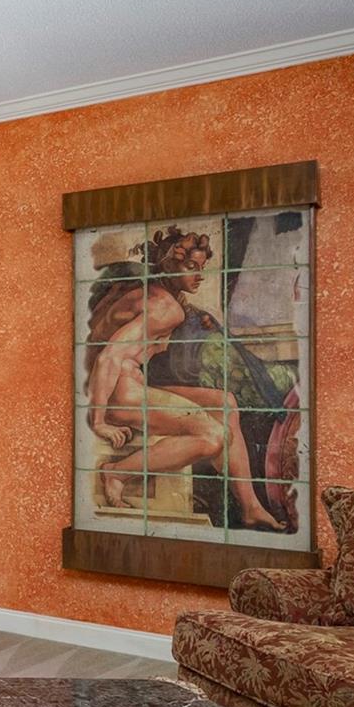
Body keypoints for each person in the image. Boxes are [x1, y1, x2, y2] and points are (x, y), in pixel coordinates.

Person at [83, 227, 284, 531]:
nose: (199, 276)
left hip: (127, 384)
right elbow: (109, 357)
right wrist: (99, 421)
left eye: (201, 268)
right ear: (167, 265)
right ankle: (118, 472)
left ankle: (251, 507)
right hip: (116, 393)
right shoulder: (164, 308)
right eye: (191, 268)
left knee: (224, 403)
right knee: (212, 437)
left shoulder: (149, 292)